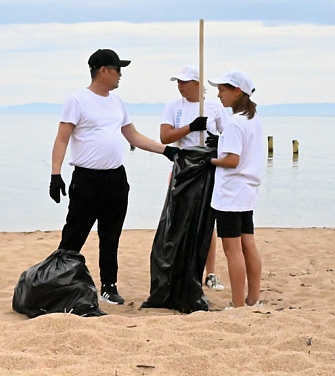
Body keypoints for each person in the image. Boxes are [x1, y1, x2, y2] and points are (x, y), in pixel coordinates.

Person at [50, 48, 179, 305]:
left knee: (111, 235)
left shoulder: (117, 103)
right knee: (74, 235)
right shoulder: (77, 100)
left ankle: (109, 286)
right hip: (86, 179)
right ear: (103, 70)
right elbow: (62, 138)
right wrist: (56, 174)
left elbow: (133, 136)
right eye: (118, 69)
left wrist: (166, 150)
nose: (121, 74)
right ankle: (56, 282)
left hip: (116, 179)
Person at [160, 66, 228, 292]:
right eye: (178, 82)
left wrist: (217, 142)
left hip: (207, 165)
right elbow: (165, 136)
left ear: (198, 84)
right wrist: (190, 128)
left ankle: (210, 272)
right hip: (184, 163)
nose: (180, 86)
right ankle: (178, 269)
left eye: (185, 82)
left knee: (205, 219)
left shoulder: (215, 107)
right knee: (179, 217)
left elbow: (226, 136)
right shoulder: (173, 107)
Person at [207, 70, 264, 308]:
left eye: (222, 90)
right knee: (247, 242)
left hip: (231, 194)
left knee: (232, 249)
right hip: (248, 191)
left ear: (237, 91)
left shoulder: (235, 123)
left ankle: (238, 304)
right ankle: (253, 299)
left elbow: (232, 160)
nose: (219, 95)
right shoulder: (253, 120)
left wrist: (210, 160)